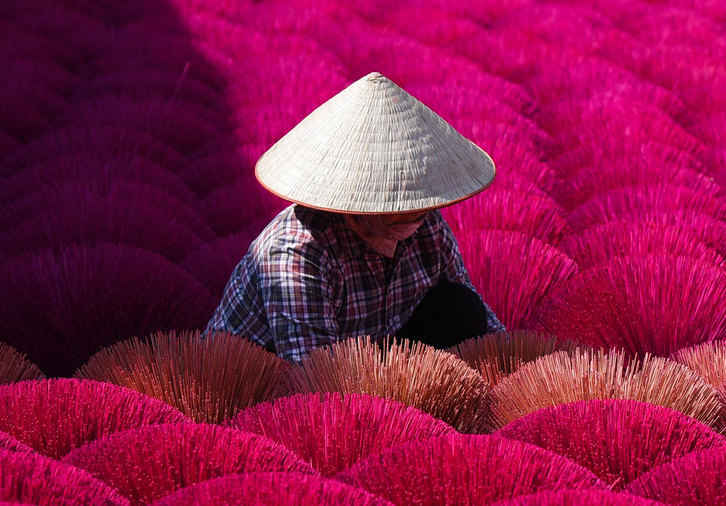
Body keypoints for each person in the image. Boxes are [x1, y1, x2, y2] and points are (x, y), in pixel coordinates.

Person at [208, 72, 504, 362]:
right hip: (273, 383)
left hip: (369, 360)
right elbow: (310, 373)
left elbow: (472, 306)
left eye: (414, 201)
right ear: (354, 203)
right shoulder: (297, 252)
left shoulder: (427, 225)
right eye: (391, 205)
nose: (410, 213)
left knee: (461, 307)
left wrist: (514, 364)